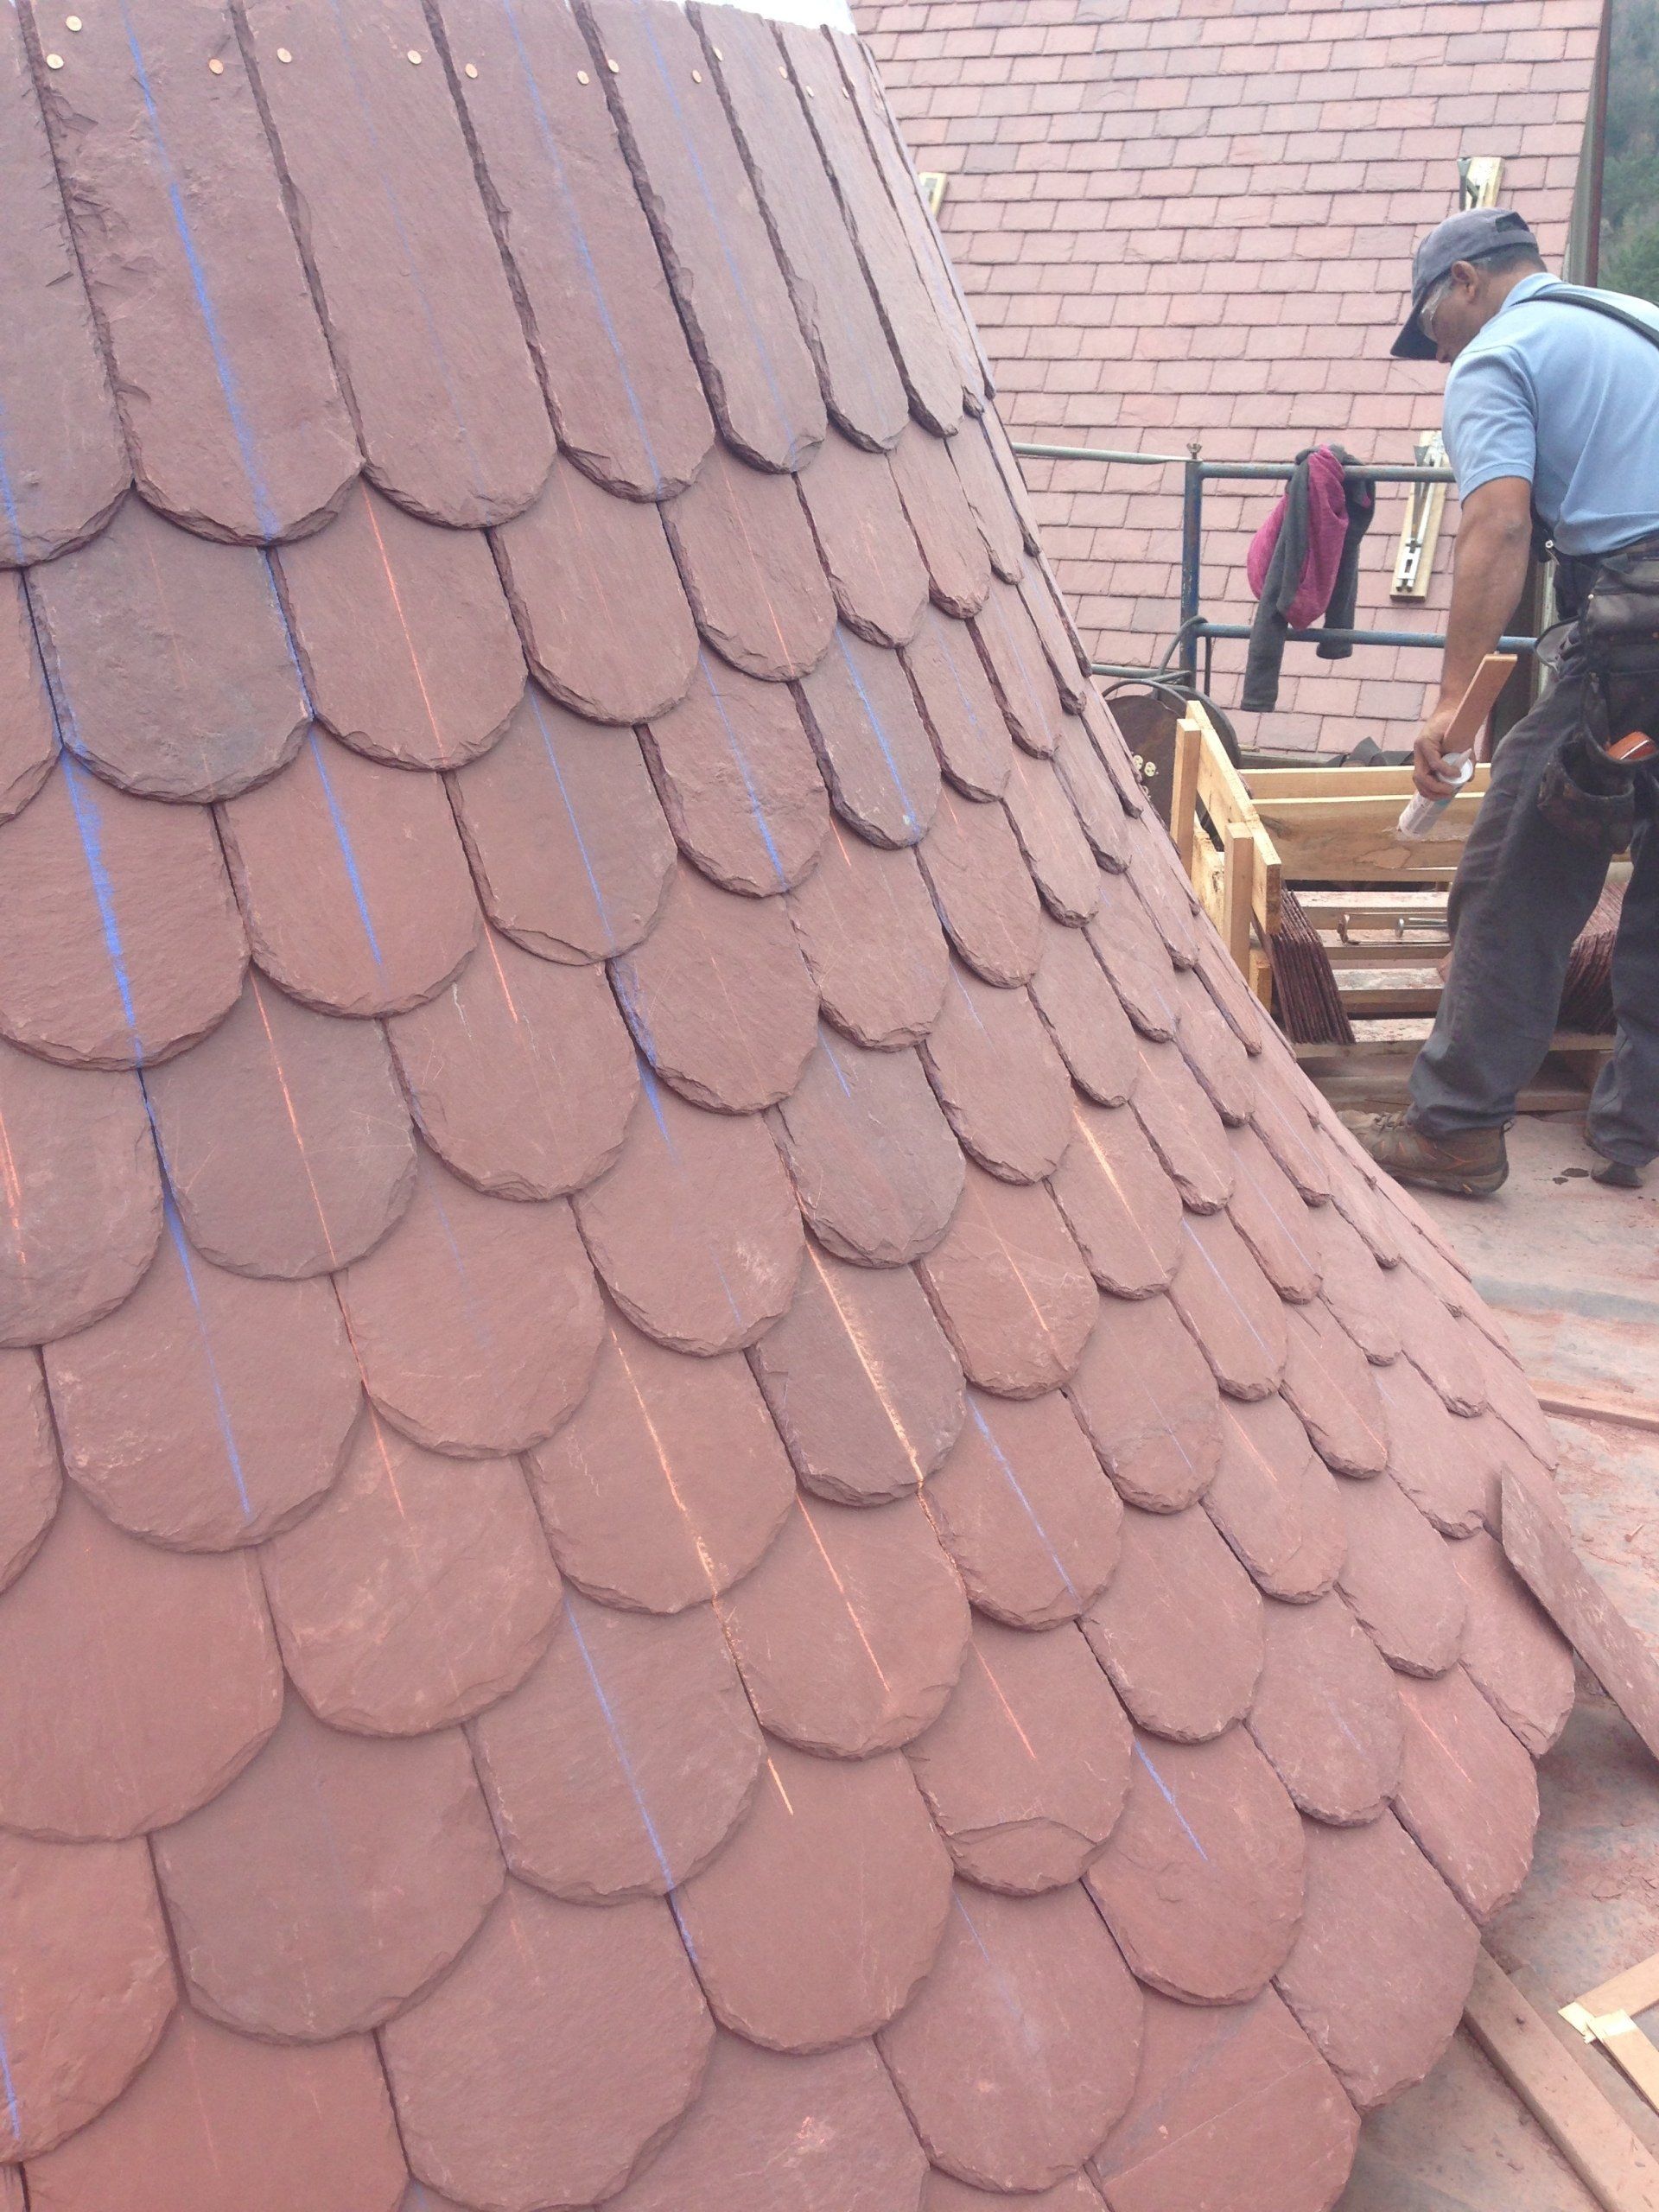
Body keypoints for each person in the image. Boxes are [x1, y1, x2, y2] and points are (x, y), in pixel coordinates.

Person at [1358, 207, 1659, 1198]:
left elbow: (1496, 523)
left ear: (1468, 284)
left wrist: (1452, 703)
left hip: (1641, 650)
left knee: (1516, 872)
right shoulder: (1631, 318)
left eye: (1429, 326)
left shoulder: (1500, 354)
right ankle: (1634, 1129)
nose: (1434, 351)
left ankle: (1454, 1128)